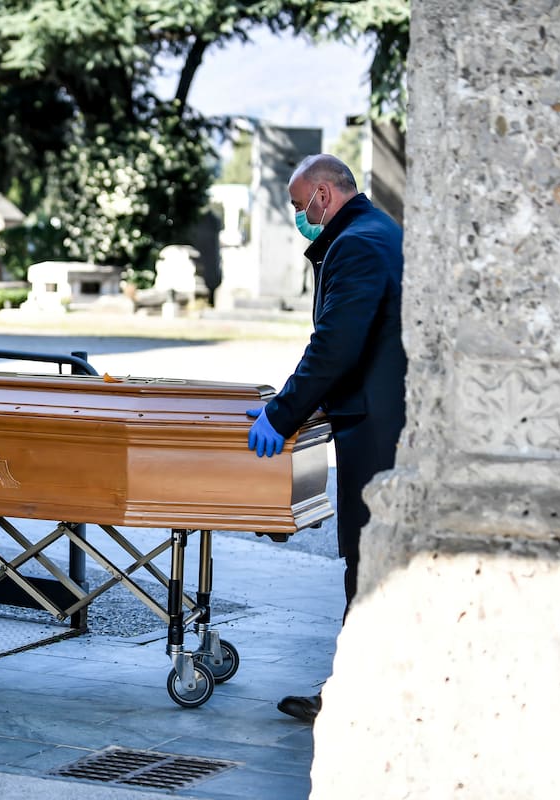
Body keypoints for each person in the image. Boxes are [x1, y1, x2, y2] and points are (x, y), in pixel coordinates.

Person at [245, 155, 406, 723]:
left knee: (368, 559)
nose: (298, 218)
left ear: (321, 197)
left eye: (297, 207)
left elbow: (336, 345)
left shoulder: (355, 244)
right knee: (378, 561)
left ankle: (355, 696)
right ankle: (365, 686)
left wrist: (282, 415)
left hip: (378, 427)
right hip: (388, 419)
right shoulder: (381, 229)